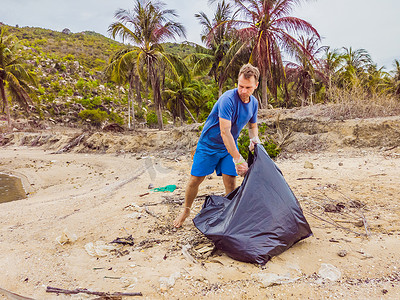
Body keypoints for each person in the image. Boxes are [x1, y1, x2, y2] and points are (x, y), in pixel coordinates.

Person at [173, 63, 262, 228]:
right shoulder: (227, 100)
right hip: (209, 144)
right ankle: (186, 210)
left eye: (248, 87)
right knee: (195, 179)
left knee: (230, 181)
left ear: (256, 85)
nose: (243, 91)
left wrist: (254, 140)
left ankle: (231, 214)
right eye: (240, 86)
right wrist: (238, 159)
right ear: (237, 82)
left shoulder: (254, 103)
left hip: (229, 146)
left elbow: (252, 125)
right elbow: (225, 132)